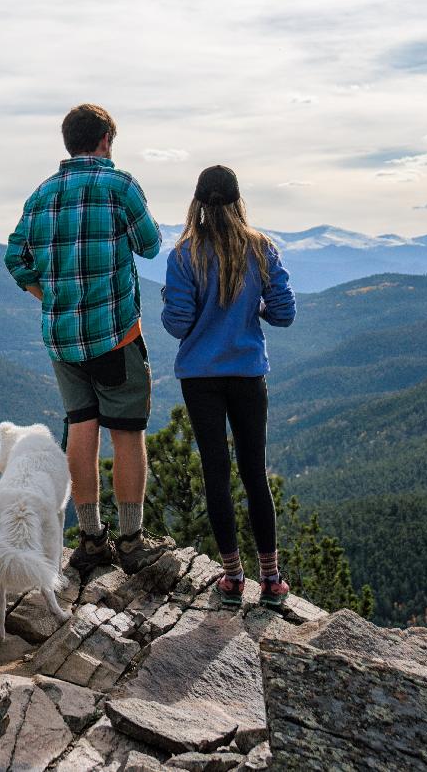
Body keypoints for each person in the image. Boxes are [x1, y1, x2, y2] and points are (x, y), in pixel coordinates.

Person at [4, 103, 166, 576]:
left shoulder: (41, 194)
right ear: (106, 140)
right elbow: (151, 244)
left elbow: (16, 260)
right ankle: (132, 540)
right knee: (128, 434)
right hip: (115, 336)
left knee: (81, 428)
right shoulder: (120, 185)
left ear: (68, 141)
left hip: (62, 339)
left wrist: (48, 295)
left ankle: (92, 540)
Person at [161, 165, 296, 608]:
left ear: (197, 203)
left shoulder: (184, 255)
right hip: (247, 374)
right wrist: (252, 304)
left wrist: (175, 304)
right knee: (254, 472)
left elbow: (178, 325)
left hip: (201, 379)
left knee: (215, 473)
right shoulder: (262, 250)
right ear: (238, 202)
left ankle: (233, 577)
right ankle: (272, 579)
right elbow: (283, 313)